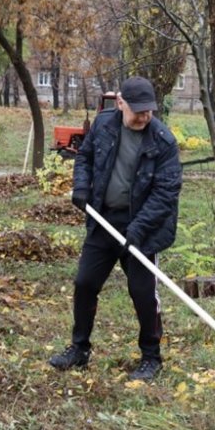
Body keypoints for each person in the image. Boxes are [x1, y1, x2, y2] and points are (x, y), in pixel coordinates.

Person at [49, 76, 182, 382]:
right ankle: (79, 350)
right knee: (85, 283)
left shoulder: (163, 141)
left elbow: (166, 193)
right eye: (138, 110)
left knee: (143, 292)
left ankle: (152, 357)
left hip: (143, 226)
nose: (144, 116)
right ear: (121, 103)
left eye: (149, 110)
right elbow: (85, 157)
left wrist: (138, 229)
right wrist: (81, 188)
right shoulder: (104, 125)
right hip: (103, 219)